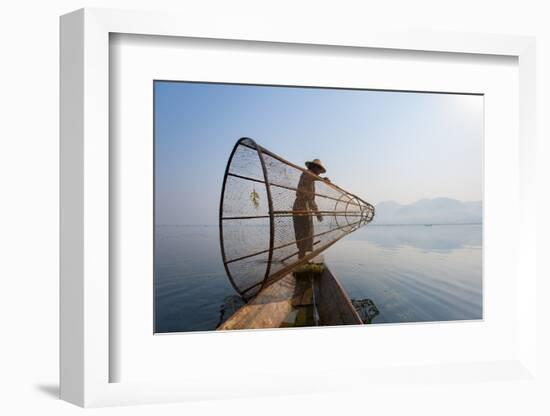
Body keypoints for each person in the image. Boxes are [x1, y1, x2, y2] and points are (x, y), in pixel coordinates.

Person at [292, 159, 328, 259]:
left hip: (306, 208)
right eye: (318, 169)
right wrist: (323, 180)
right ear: (313, 168)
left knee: (307, 234)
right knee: (303, 234)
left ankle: (302, 257)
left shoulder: (312, 182)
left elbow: (311, 200)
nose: (319, 172)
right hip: (301, 208)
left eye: (319, 170)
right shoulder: (306, 174)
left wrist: (317, 213)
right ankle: (301, 257)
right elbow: (312, 177)